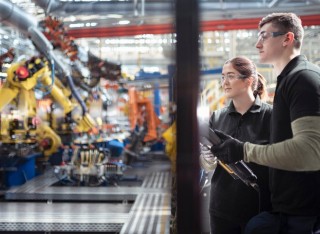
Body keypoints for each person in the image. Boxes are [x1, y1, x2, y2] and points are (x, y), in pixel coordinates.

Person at [211, 13, 320, 234]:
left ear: (287, 39)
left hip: (302, 213)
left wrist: (244, 150)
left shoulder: (303, 79)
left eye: (264, 36)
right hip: (284, 211)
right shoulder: (289, 80)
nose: (257, 43)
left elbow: (310, 150)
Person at [200, 56, 273, 234]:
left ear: (248, 80)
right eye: (223, 77)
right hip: (221, 208)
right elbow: (208, 166)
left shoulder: (271, 116)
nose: (224, 82)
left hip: (259, 208)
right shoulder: (217, 117)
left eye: (230, 76)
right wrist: (207, 158)